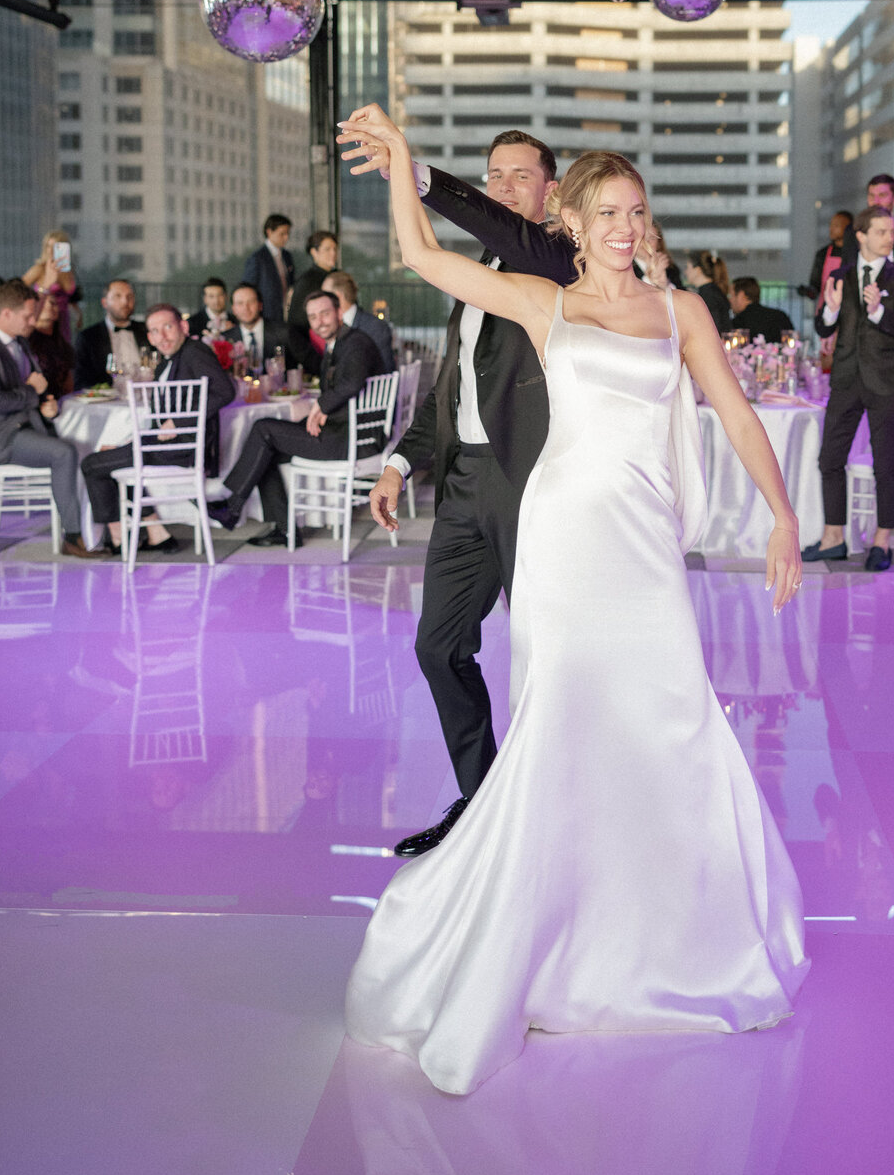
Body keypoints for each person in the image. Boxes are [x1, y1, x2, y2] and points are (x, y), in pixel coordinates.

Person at [338, 107, 809, 1099]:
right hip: (562, 541)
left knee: (674, 720)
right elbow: (424, 256)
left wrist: (780, 514)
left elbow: (731, 408)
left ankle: (671, 939)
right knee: (565, 731)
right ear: (575, 224)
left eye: (636, 210)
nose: (626, 226)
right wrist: (405, 166)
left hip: (643, 551)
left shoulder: (681, 310)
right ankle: (535, 943)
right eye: (607, 212)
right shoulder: (547, 301)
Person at [336, 122, 577, 857]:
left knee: (547, 656)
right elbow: (454, 389)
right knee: (439, 648)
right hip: (466, 483)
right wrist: (400, 462)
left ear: (552, 191)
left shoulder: (557, 260)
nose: (504, 187)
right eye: (494, 174)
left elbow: (496, 228)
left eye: (519, 176)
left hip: (527, 482)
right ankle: (485, 802)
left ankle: (559, 817)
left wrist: (420, 176)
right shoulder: (482, 270)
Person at [210, 290, 377, 547]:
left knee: (263, 430)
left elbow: (351, 382)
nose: (319, 321)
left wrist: (321, 404)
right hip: (344, 430)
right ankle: (283, 528)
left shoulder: (356, 343)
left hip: (351, 437)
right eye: (313, 317)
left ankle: (232, 506)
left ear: (339, 313)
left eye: (324, 314)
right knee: (264, 449)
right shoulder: (342, 343)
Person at [803, 208, 894, 573]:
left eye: (891, 231)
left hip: (886, 382)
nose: (889, 237)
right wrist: (832, 312)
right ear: (861, 236)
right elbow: (823, 329)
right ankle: (833, 538)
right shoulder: (839, 276)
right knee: (829, 460)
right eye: (881, 231)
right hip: (847, 379)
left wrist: (878, 312)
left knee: (884, 464)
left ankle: (881, 541)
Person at [81, 304, 236, 555]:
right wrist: (130, 445)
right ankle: (156, 532)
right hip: (165, 446)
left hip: (184, 450)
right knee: (115, 457)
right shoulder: (165, 365)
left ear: (183, 327)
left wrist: (180, 421)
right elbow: (157, 423)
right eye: (154, 331)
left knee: (91, 464)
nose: (162, 336)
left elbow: (225, 391)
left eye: (168, 327)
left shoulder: (195, 352)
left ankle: (120, 538)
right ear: (150, 337)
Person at [0, 280, 101, 558]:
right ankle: (73, 537)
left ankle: (101, 528)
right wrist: (33, 393)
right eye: (28, 316)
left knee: (85, 447)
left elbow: (39, 388)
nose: (33, 321)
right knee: (64, 453)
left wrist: (46, 403)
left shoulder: (21, 342)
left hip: (29, 426)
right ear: (6, 314)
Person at [74, 279, 148, 389]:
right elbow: (81, 380)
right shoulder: (88, 337)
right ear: (104, 302)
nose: (125, 302)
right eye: (118, 296)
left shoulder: (147, 331)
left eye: (130, 296)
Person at [227, 282, 309, 374]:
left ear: (260, 305)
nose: (246, 308)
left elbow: (312, 362)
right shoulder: (226, 339)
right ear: (233, 309)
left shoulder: (284, 332)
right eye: (240, 303)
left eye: (251, 302)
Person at [324, 270, 395, 374]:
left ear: (338, 296)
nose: (322, 302)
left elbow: (386, 372)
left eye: (325, 296)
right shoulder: (330, 325)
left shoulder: (375, 327)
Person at [23, 231, 82, 343]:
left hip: (63, 318)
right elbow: (18, 288)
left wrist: (78, 313)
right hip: (44, 318)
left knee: (64, 352)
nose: (50, 250)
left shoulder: (68, 271)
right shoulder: (40, 268)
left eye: (55, 246)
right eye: (48, 246)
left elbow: (70, 297)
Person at [242, 215, 295, 323]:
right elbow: (248, 289)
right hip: (266, 316)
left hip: (286, 314)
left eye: (288, 234)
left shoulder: (286, 256)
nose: (286, 238)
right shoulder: (257, 258)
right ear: (269, 232)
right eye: (282, 234)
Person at [28, 287, 75, 398]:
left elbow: (68, 386)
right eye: (44, 302)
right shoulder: (26, 341)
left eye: (53, 303)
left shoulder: (63, 345)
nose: (49, 306)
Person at [289, 229, 340, 330]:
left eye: (335, 249)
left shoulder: (338, 276)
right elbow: (297, 321)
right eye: (327, 249)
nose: (333, 253)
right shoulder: (306, 281)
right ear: (314, 252)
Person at [798, 210, 853, 300]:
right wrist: (807, 291)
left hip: (851, 311)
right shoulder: (822, 254)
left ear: (849, 228)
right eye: (831, 225)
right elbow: (815, 286)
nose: (831, 229)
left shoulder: (859, 253)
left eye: (836, 225)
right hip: (826, 310)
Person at [729, 277, 794, 342]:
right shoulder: (781, 316)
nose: (729, 300)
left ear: (741, 295)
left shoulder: (738, 323)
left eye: (731, 295)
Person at [685, 250, 732, 332]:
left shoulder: (708, 295)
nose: (686, 272)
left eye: (688, 267)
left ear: (698, 270)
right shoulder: (713, 291)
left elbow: (714, 328)